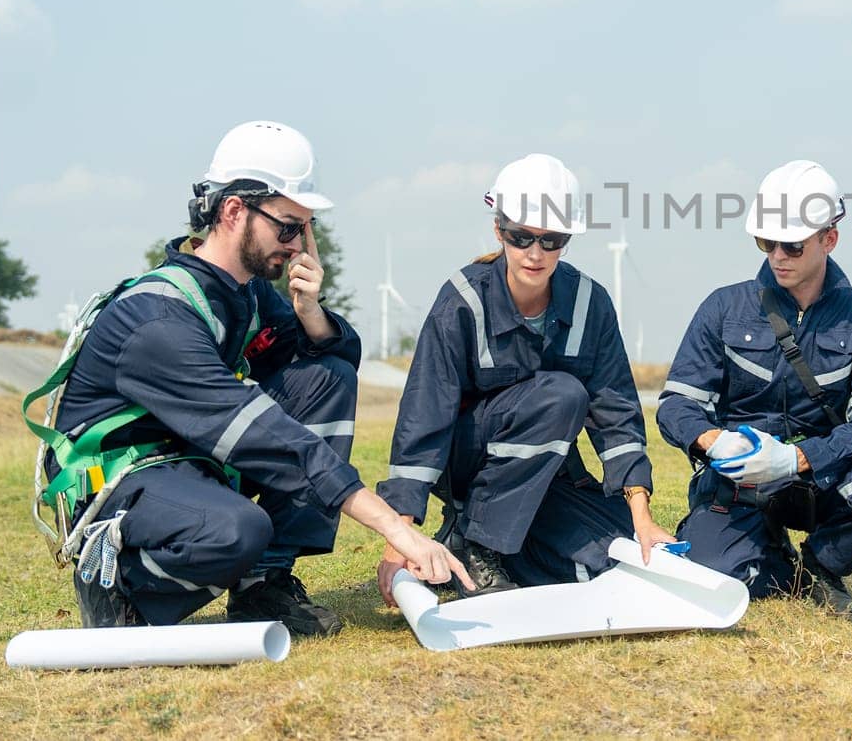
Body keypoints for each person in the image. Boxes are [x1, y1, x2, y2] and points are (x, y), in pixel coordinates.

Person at [46, 121, 469, 635]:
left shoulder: (244, 292)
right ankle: (119, 585)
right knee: (238, 530)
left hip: (184, 458)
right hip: (124, 476)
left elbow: (338, 360)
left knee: (327, 376)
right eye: (288, 227)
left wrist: (311, 310)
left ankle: (262, 587)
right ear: (233, 211)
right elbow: (272, 441)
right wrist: (396, 530)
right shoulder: (158, 322)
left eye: (307, 229)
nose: (298, 246)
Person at [376, 153, 675, 605]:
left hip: (547, 470)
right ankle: (480, 543)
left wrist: (642, 517)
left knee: (615, 556)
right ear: (499, 230)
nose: (535, 253)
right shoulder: (462, 302)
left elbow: (617, 414)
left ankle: (478, 548)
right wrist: (397, 541)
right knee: (560, 394)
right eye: (520, 237)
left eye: (550, 240)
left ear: (567, 239)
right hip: (468, 463)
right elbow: (423, 420)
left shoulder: (589, 303)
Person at [656, 160, 852, 621]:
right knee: (727, 584)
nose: (777, 256)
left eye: (792, 244)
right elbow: (677, 406)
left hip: (818, 482)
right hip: (738, 481)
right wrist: (712, 441)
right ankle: (770, 558)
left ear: (829, 238)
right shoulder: (724, 307)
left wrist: (798, 460)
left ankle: (823, 564)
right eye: (766, 242)